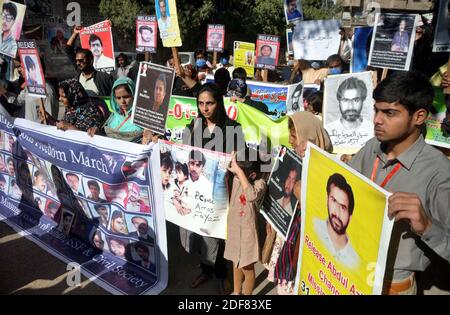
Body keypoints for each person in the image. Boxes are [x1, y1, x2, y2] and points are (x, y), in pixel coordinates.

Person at [347, 71, 450, 294]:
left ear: (419, 117)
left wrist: (428, 226)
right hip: (350, 266)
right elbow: (346, 183)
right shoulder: (373, 147)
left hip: (393, 282)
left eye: (389, 113)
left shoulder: (440, 172)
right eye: (376, 110)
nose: (376, 119)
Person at [181, 83, 245, 294]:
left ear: (219, 102)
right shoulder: (194, 126)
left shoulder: (233, 128)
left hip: (222, 190)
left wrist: (236, 158)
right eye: (201, 103)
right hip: (199, 192)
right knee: (201, 232)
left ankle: (222, 274)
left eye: (209, 103)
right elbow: (183, 153)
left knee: (219, 233)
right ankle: (206, 269)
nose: (205, 108)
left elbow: (242, 159)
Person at [265, 111, 332, 295]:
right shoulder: (293, 159)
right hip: (287, 237)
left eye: (295, 136)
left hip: (305, 245)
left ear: (309, 137)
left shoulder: (329, 171)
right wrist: (271, 218)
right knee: (284, 285)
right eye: (291, 136)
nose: (292, 142)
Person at [224, 149, 267, 295]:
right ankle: (237, 292)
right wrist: (233, 166)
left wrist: (239, 173)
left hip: (248, 235)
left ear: (252, 174)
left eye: (239, 172)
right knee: (235, 263)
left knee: (247, 269)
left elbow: (250, 195)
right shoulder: (237, 178)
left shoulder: (260, 184)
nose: (236, 174)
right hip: (234, 229)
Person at [313, 173, 360, 269]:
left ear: (350, 216)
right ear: (327, 200)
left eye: (343, 208)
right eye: (334, 201)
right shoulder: (313, 226)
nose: (337, 213)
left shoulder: (355, 261)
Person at [65, 26, 114, 97]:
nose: (78, 63)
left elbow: (115, 97)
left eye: (81, 60)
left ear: (90, 61)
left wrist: (106, 27)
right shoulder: (78, 75)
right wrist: (75, 33)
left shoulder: (104, 78)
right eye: (77, 61)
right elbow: (68, 49)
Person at [103, 77, 143, 142]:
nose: (122, 101)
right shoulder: (113, 117)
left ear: (134, 95)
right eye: (118, 98)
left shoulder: (142, 117)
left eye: (126, 97)